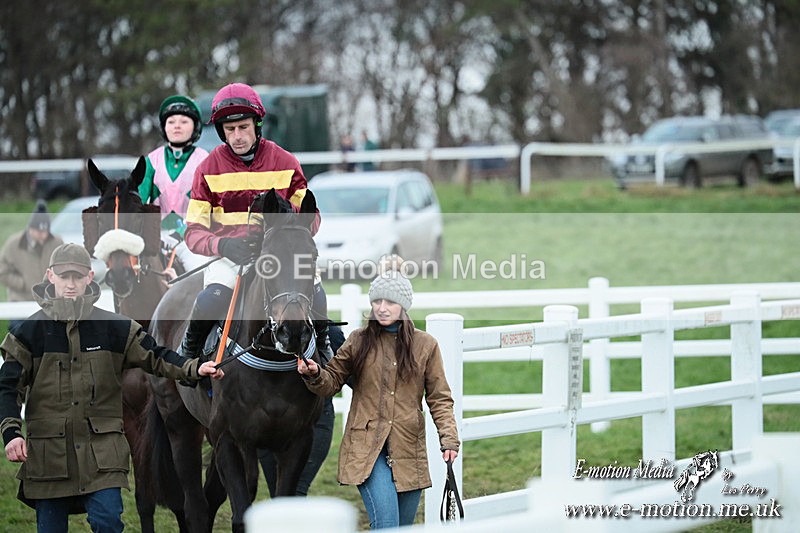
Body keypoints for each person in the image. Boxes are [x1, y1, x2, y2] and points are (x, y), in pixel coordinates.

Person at [0, 243, 223, 533]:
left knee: (108, 523)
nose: (70, 284)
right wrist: (11, 433)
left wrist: (194, 368)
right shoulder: (26, 333)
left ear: (90, 277)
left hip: (102, 458)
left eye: (77, 277)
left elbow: (157, 356)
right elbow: (7, 388)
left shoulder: (116, 328)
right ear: (50, 276)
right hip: (48, 459)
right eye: (64, 276)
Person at [297, 259, 460, 529]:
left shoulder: (426, 346)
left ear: (403, 306)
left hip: (408, 448)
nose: (382, 309)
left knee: (402, 527)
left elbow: (440, 399)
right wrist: (314, 374)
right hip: (366, 449)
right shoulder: (359, 341)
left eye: (390, 302)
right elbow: (331, 381)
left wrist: (449, 440)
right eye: (377, 302)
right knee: (387, 524)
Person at [138, 95, 210, 272]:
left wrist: (183, 231)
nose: (177, 125)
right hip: (156, 239)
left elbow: (210, 207)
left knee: (201, 275)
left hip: (192, 238)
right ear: (164, 127)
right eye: (171, 122)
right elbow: (138, 201)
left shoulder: (205, 160)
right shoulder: (151, 161)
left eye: (184, 121)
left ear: (195, 127)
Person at [0, 200, 64, 330]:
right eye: (38, 230)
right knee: (19, 339)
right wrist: (22, 284)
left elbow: (64, 267)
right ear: (30, 228)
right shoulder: (13, 244)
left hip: (50, 304)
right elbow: (2, 270)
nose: (42, 234)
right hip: (20, 303)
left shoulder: (57, 242)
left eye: (45, 230)